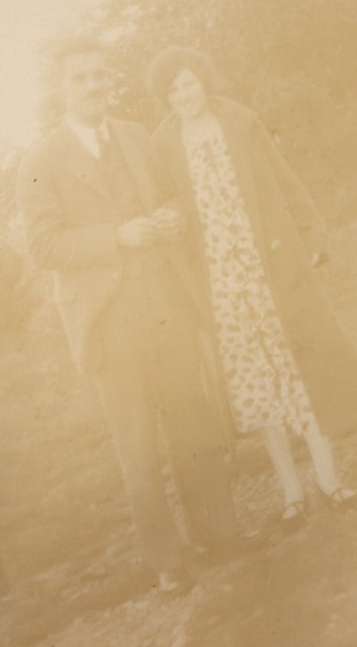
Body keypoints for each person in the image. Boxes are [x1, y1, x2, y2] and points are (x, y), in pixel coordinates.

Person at [15, 37, 241, 593]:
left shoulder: (138, 137)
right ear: (60, 89)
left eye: (99, 75)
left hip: (165, 301)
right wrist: (117, 235)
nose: (93, 85)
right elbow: (43, 247)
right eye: (80, 78)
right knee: (137, 445)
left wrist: (168, 218)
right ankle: (168, 562)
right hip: (108, 321)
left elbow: (175, 201)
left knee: (194, 422)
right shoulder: (41, 161)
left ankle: (220, 536)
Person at [146, 47, 357, 528]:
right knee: (257, 388)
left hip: (268, 267)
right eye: (173, 89)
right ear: (164, 98)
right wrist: (169, 220)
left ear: (203, 81)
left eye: (189, 83)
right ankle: (292, 494)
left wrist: (311, 235)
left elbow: (284, 180)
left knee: (301, 370)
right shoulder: (161, 144)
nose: (185, 94)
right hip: (222, 282)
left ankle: (329, 481)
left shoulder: (240, 120)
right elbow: (166, 206)